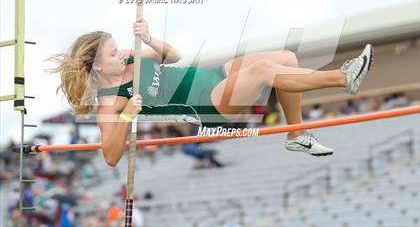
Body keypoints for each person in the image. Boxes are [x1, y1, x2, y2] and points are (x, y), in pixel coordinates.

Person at [45, 18, 374, 164]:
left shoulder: (131, 59)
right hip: (209, 103)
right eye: (113, 53)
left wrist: (147, 39)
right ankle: (343, 79)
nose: (121, 53)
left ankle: (297, 135)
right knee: (263, 72)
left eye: (118, 47)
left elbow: (171, 56)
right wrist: (131, 112)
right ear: (99, 67)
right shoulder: (110, 103)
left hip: (213, 75)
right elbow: (112, 156)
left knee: (286, 57)